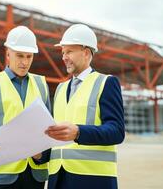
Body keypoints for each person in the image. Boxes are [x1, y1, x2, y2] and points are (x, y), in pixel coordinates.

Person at [0, 26, 51, 189]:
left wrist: (42, 155)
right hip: (1, 174)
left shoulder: (41, 84)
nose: (25, 62)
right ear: (8, 54)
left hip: (35, 174)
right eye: (19, 56)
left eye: (29, 56)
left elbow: (49, 127)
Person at [45, 24, 125, 189]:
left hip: (93, 179)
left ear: (86, 53)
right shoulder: (60, 89)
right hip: (57, 178)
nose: (64, 57)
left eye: (69, 52)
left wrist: (78, 132)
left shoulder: (106, 83)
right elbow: (57, 137)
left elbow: (117, 131)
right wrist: (39, 154)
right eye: (63, 52)